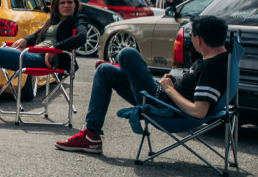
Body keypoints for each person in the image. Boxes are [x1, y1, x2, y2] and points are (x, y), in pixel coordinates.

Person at [56, 15, 229, 155]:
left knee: (128, 53)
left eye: (191, 36)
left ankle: (121, 68)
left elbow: (198, 111)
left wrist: (169, 89)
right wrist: (173, 84)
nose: (191, 39)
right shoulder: (218, 59)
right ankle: (91, 136)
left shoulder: (211, 67)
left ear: (199, 39)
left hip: (162, 104)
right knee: (105, 71)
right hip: (163, 96)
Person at [0, 0, 89, 122]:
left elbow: (81, 37)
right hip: (32, 54)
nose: (66, 6)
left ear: (75, 4)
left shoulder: (78, 19)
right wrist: (25, 40)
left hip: (44, 60)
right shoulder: (53, 20)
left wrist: (55, 47)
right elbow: (36, 35)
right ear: (56, 6)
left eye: (70, 2)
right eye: (62, 3)